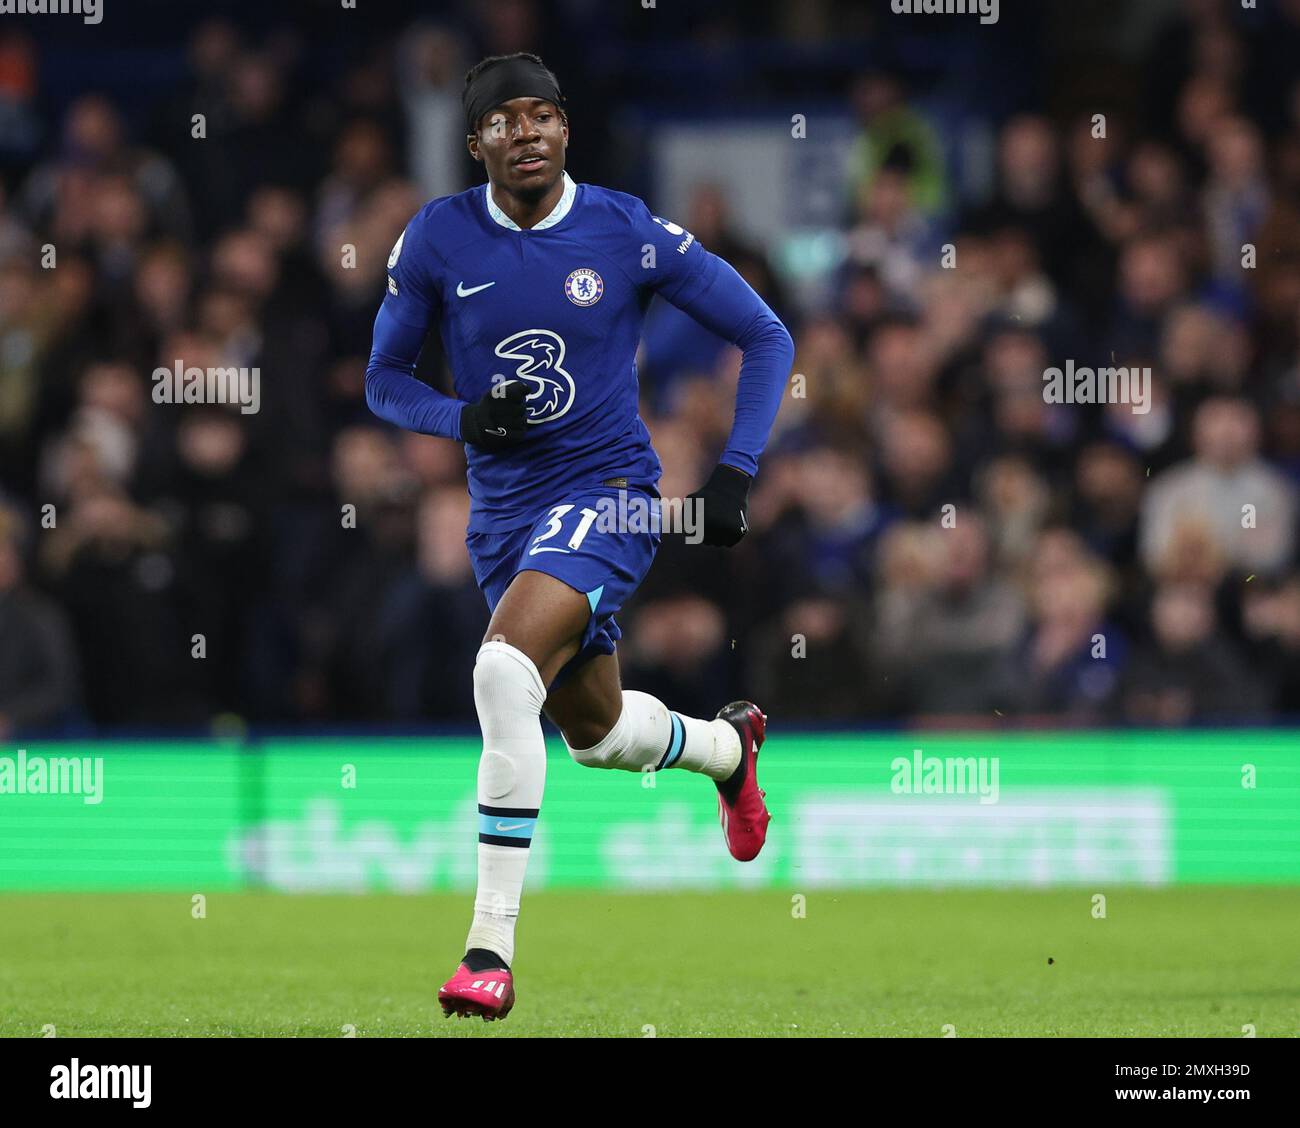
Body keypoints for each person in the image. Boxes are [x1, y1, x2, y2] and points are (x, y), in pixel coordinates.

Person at [364, 53, 794, 1020]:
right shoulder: (437, 238)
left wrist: (737, 469)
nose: (526, 134)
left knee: (498, 668)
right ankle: (728, 750)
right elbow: (383, 380)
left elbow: (766, 334)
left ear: (566, 130)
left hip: (612, 491)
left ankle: (488, 949)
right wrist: (463, 420)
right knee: (595, 739)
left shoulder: (625, 229)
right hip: (504, 518)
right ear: (474, 143)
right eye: (504, 122)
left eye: (542, 116)